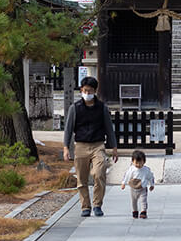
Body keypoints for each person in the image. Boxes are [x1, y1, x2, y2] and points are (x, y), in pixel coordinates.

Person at [63, 76, 119, 217]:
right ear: (81, 90)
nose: (87, 93)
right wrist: (65, 147)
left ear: (95, 91)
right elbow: (68, 129)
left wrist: (114, 147)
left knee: (99, 173)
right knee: (81, 179)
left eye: (90, 91)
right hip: (81, 145)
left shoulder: (102, 108)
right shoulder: (74, 108)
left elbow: (109, 128)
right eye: (85, 90)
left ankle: (97, 204)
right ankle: (85, 206)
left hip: (98, 145)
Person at [119, 149, 155, 219]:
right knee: (134, 201)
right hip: (133, 188)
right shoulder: (131, 169)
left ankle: (143, 212)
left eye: (140, 163)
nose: (138, 165)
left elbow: (151, 177)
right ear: (132, 161)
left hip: (142, 188)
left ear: (144, 162)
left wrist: (152, 185)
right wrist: (123, 183)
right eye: (136, 163)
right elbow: (127, 176)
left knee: (143, 200)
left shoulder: (146, 170)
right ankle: (135, 211)